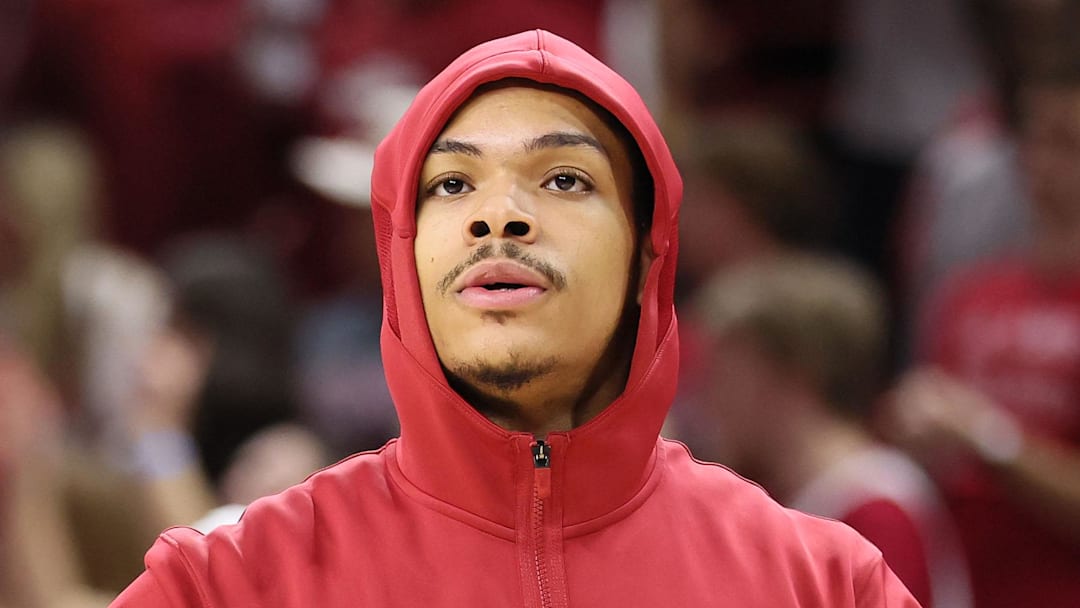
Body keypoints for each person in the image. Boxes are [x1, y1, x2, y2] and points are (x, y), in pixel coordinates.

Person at [111, 30, 919, 606]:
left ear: (649, 258)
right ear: (402, 255)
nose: (498, 217)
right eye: (452, 186)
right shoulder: (227, 584)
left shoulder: (824, 584)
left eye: (564, 180)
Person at [688, 254, 972, 608]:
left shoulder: (877, 510)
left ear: (792, 377)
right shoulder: (789, 492)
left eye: (725, 375)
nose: (709, 398)